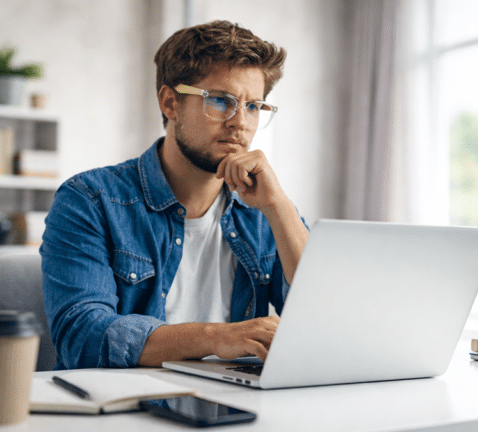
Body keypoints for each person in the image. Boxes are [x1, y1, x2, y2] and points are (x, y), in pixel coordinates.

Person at [40, 20, 310, 370]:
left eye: (254, 106)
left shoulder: (264, 209)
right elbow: (82, 336)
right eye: (220, 100)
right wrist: (216, 337)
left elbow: (321, 323)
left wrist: (279, 207)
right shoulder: (90, 200)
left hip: (234, 406)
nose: (239, 123)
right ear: (170, 103)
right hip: (127, 409)